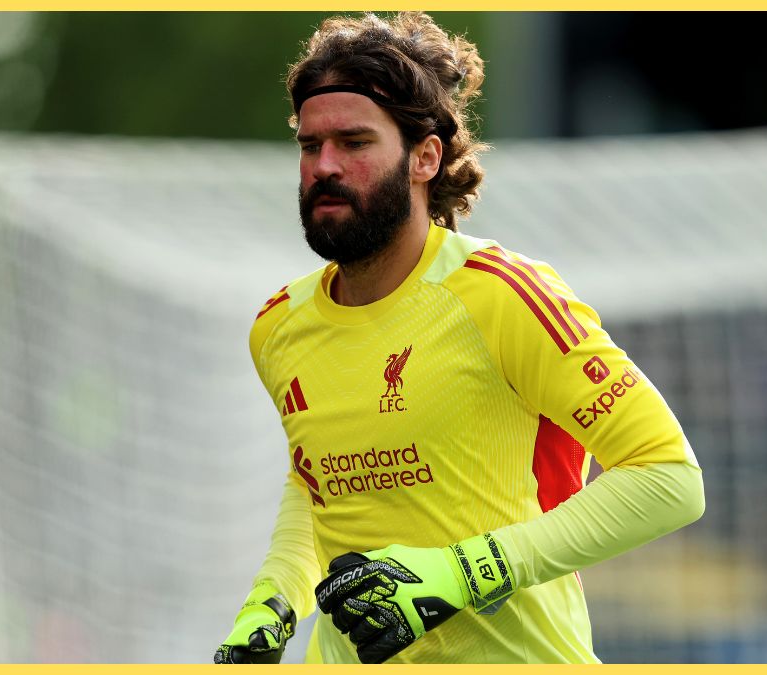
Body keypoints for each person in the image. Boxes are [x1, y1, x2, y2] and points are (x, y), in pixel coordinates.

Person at [213, 11, 704, 664]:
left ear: (425, 156)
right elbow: (319, 485)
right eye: (310, 145)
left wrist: (462, 571)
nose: (324, 166)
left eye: (354, 143)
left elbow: (670, 479)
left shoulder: (501, 294)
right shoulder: (279, 327)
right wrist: (273, 598)